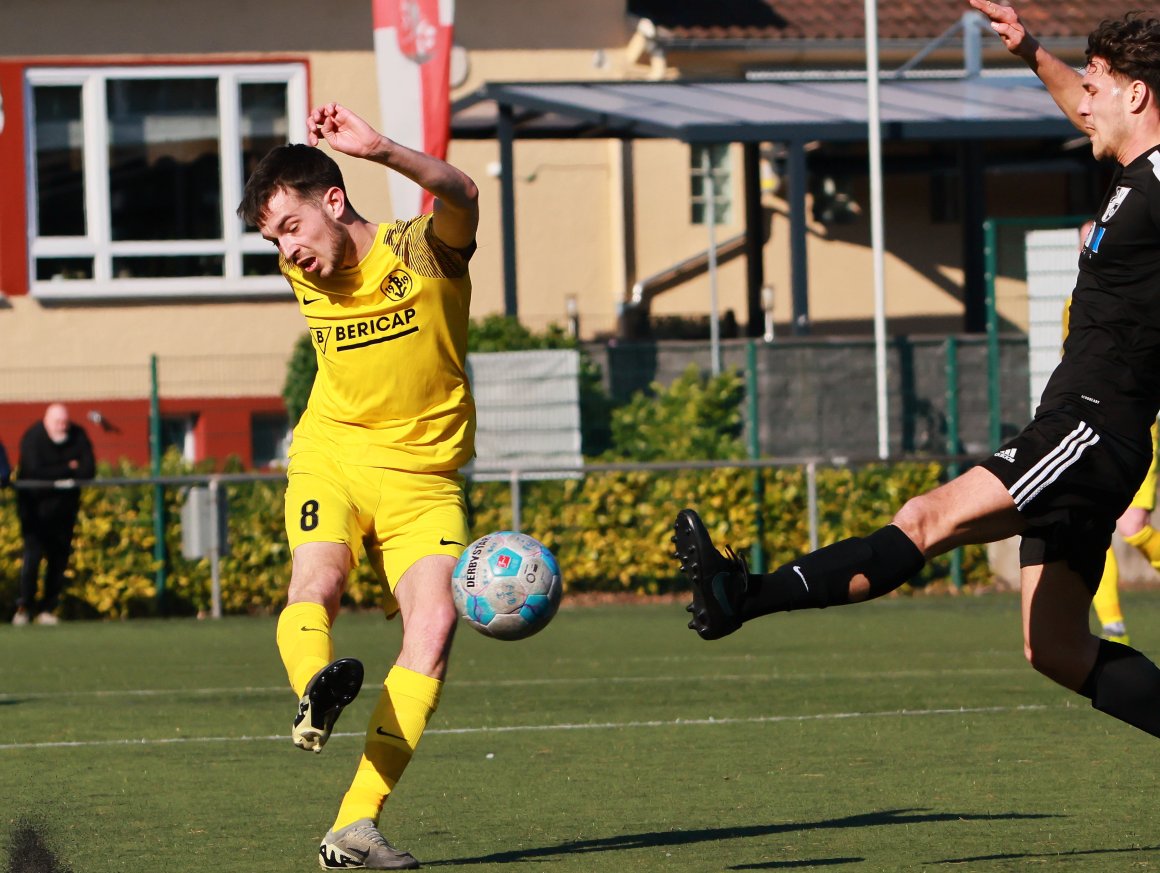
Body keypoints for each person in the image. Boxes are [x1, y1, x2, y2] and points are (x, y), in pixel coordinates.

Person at [673, 2, 1160, 741]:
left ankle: (741, 594)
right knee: (1054, 648)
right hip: (1090, 431)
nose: (1080, 101)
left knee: (924, 518)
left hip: (1090, 427)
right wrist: (1032, 50)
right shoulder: (1132, 167)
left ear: (1136, 94)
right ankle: (740, 594)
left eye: (1093, 85)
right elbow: (1086, 106)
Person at [238, 102, 478, 870]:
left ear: (333, 202)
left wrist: (379, 149)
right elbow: (303, 239)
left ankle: (353, 825)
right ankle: (316, 684)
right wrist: (292, 232)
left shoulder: (426, 252)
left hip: (424, 477)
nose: (288, 251)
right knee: (320, 577)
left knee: (434, 627)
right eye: (274, 238)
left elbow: (463, 191)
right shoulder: (298, 263)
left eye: (292, 227)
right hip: (332, 457)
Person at [1068, 222, 1160, 645]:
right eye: (1086, 243)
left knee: (1132, 525)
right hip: (1086, 424)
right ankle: (1114, 627)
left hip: (1133, 423)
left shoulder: (1139, 292)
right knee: (1093, 521)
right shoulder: (1076, 302)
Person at [12, 403, 95, 626]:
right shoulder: (33, 438)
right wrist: (69, 467)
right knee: (33, 557)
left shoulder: (77, 435)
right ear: (47, 422)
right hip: (35, 512)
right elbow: (34, 471)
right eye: (58, 423)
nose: (63, 427)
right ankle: (24, 607)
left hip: (64, 512)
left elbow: (88, 470)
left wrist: (60, 471)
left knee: (58, 560)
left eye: (65, 423)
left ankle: (47, 608)